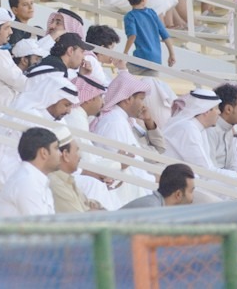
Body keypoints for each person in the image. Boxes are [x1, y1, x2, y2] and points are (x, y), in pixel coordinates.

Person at [0, 64, 80, 183]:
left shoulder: (42, 116)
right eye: (66, 105)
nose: (69, 111)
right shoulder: (31, 118)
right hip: (13, 176)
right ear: (52, 99)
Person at [163, 89, 237, 187]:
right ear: (206, 111)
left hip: (193, 180)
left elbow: (208, 171)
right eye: (216, 108)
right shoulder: (188, 129)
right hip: (177, 183)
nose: (219, 112)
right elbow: (206, 172)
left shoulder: (199, 129)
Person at [90, 71, 155, 204]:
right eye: (141, 99)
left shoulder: (120, 119)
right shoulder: (114, 122)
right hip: (123, 192)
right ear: (127, 99)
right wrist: (156, 180)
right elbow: (124, 166)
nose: (143, 105)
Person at [0, 127, 60, 218]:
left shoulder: (34, 179)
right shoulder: (26, 181)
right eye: (56, 148)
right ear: (44, 153)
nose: (60, 154)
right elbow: (39, 225)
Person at [123, 0, 176, 76]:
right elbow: (165, 35)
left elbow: (132, 36)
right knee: (151, 84)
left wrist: (125, 53)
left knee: (124, 74)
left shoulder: (130, 16)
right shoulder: (152, 13)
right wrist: (172, 54)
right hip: (156, 60)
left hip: (140, 58)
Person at [48, 125, 103, 213]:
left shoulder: (66, 180)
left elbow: (90, 204)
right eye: (76, 151)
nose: (79, 156)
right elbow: (80, 218)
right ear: (65, 155)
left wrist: (94, 209)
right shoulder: (56, 184)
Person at [121, 163, 196, 209]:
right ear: (178, 194)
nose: (193, 197)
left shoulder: (157, 206)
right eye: (191, 191)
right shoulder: (152, 209)